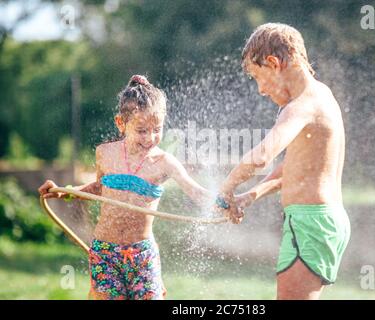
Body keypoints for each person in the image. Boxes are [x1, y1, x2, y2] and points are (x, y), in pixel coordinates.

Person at [39, 74, 219, 300]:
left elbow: (196, 191)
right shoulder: (105, 153)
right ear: (121, 124)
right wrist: (64, 192)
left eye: (158, 129)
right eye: (142, 130)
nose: (151, 138)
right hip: (105, 251)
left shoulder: (164, 162)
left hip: (142, 254)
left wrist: (224, 202)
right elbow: (100, 188)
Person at [217, 23, 351, 300]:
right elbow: (293, 168)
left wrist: (226, 186)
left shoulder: (300, 106)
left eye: (257, 77)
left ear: (273, 63)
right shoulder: (322, 95)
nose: (260, 90)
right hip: (322, 220)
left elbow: (262, 156)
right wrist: (249, 195)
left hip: (310, 222)